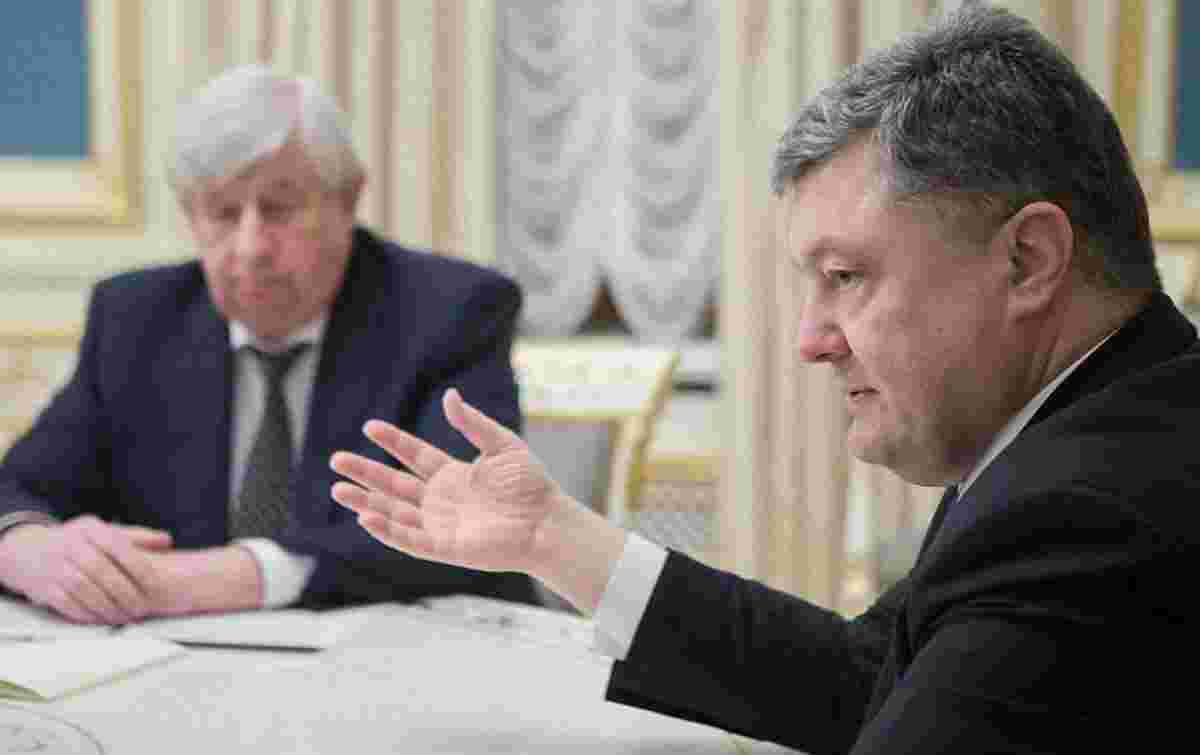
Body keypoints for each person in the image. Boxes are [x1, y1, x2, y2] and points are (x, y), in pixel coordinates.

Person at [329, 5, 1200, 753]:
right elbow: (871, 679)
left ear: (1028, 259)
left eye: (847, 276)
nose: (811, 340)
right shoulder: (1097, 425)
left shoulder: (1087, 511)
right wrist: (551, 536)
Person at [0, 64, 536, 625]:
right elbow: (19, 488)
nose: (251, 247)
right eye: (223, 214)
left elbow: (460, 525)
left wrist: (216, 578)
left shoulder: (452, 312)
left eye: (279, 210)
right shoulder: (136, 320)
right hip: (191, 665)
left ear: (346, 201)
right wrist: (30, 547)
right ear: (191, 217)